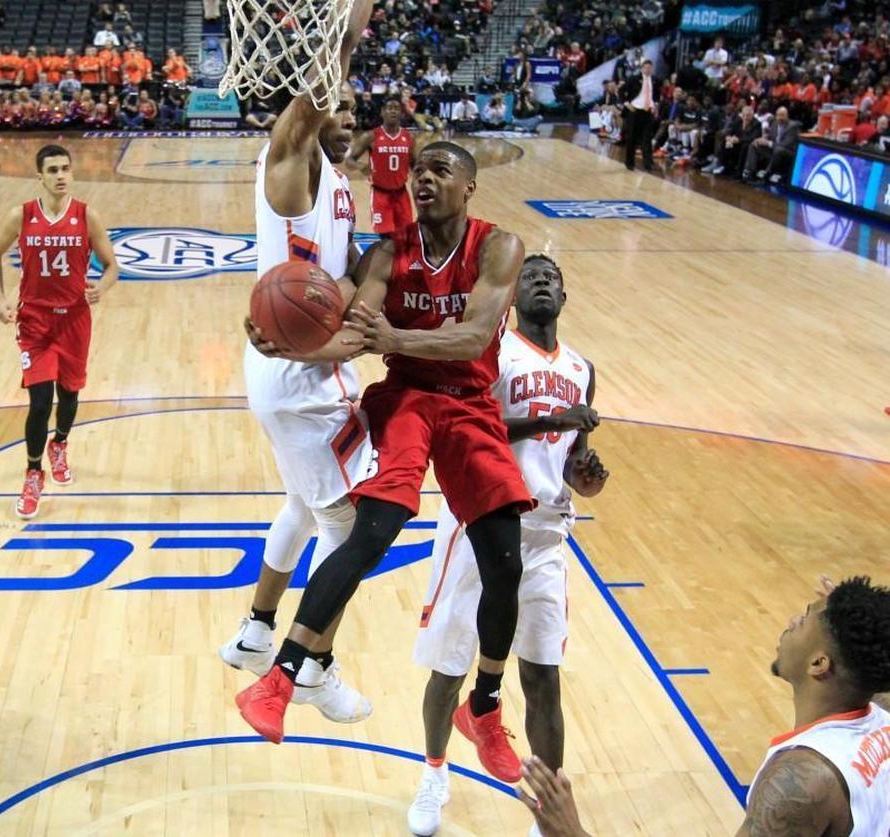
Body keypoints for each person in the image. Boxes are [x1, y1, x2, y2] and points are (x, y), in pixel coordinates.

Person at [236, 140, 534, 786]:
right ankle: (281, 677)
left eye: (440, 171)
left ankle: (483, 706)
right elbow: (344, 320)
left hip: (471, 404)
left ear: (469, 187)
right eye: (418, 171)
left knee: (505, 559)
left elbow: (475, 334)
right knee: (372, 530)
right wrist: (283, 345)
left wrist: (393, 337)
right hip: (406, 399)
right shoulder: (385, 253)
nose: (424, 179)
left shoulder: (498, 246)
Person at [407, 254, 607, 836]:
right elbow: (470, 425)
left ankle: (549, 814)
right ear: (514, 297)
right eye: (532, 278)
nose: (543, 283)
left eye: (553, 279)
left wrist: (585, 475)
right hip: (480, 521)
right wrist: (558, 416)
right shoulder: (492, 352)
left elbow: (569, 456)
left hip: (545, 532)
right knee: (450, 668)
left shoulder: (581, 368)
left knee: (543, 677)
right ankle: (433, 773)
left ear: (564, 299)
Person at [218, 0, 377, 723]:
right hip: (303, 374)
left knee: (300, 507)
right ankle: (313, 667)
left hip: (295, 368)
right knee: (350, 525)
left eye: (350, 107)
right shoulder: (289, 164)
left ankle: (256, 630)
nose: (348, 112)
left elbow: (341, 284)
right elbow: (329, 65)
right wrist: (349, 21)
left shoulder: (332, 183)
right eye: (336, 106)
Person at [517, 576, 890, 837]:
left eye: (805, 617)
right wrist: (859, 625)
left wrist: (572, 833)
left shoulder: (805, 782)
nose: (793, 621)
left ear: (819, 665)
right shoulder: (879, 713)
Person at [0, 145, 118, 519]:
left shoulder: (87, 216)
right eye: (53, 169)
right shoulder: (21, 215)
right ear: (38, 176)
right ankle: (33, 472)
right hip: (35, 322)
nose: (61, 175)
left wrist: (101, 288)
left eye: (66, 169)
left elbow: (112, 267)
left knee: (69, 394)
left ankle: (60, 443)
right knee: (40, 401)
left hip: (74, 319)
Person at [349, 97, 415, 238]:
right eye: (389, 108)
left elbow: (415, 164)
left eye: (396, 108)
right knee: (385, 237)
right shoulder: (371, 136)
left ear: (401, 113)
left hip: (402, 193)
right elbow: (349, 160)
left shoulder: (408, 137)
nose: (393, 111)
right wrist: (361, 167)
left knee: (405, 234)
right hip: (381, 194)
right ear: (382, 112)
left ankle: (403, 260)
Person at [743, 105, 799, 183]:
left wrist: (769, 143)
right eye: (778, 115)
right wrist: (762, 139)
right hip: (774, 150)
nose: (780, 118)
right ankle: (749, 173)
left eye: (782, 115)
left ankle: (766, 175)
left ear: (787, 116)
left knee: (778, 150)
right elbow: (770, 137)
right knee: (754, 144)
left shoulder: (793, 126)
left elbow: (786, 145)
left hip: (786, 154)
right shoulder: (775, 123)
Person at [622, 59, 658, 171]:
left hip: (647, 112)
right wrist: (627, 104)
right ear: (642, 68)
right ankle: (629, 163)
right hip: (635, 111)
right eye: (646, 67)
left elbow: (656, 94)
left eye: (650, 68)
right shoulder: (634, 79)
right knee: (631, 138)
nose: (648, 70)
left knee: (647, 138)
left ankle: (648, 164)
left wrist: (655, 104)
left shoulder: (655, 80)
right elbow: (621, 91)